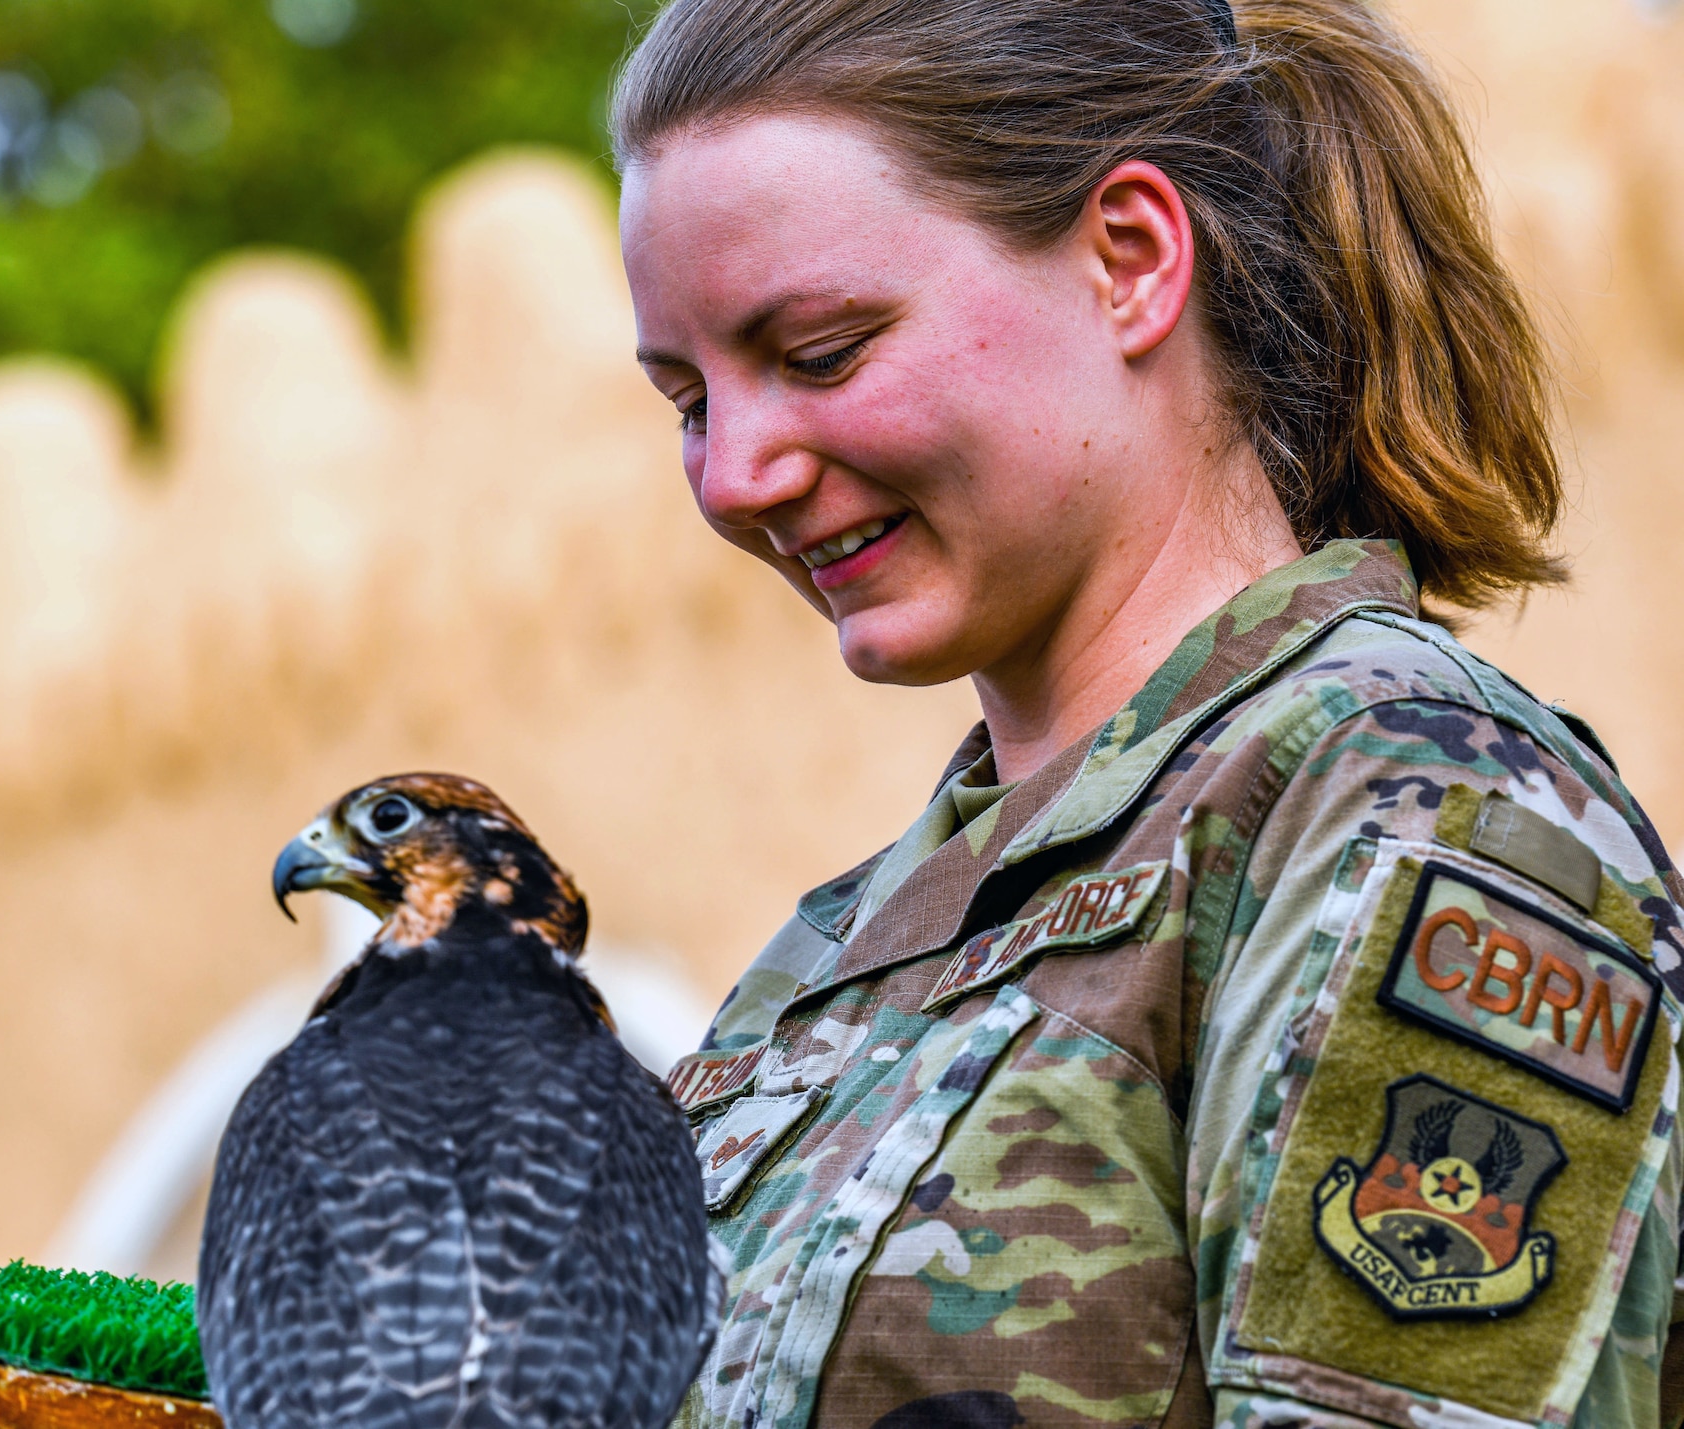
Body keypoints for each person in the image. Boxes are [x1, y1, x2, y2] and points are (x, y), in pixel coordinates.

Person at [611, 1, 1684, 1427]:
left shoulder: (1405, 809)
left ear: (1130, 261)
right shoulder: (844, 942)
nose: (735, 474)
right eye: (688, 400)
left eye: (818, 352)